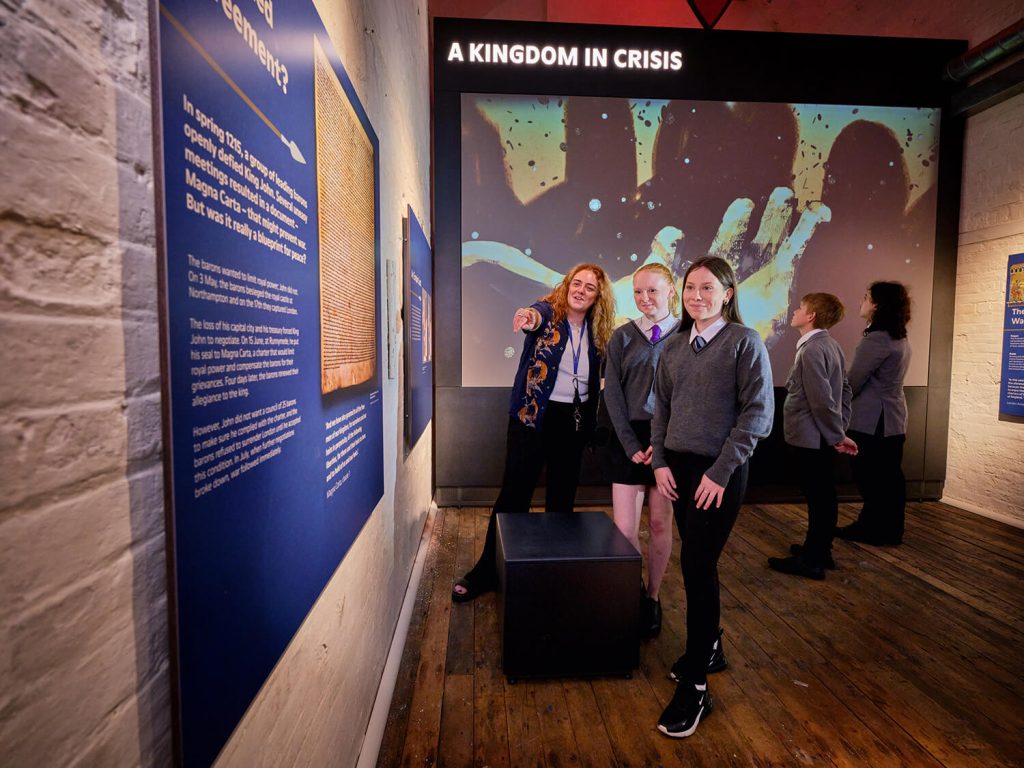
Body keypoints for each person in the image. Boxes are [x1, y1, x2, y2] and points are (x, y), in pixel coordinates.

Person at [651, 256, 774, 739]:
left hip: (720, 473)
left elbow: (757, 416)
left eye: (707, 288)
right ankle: (712, 647)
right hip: (678, 471)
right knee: (698, 562)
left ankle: (697, 686)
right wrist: (660, 462)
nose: (696, 296)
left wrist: (720, 473)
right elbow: (660, 409)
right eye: (689, 288)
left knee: (697, 567)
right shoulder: (676, 346)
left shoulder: (746, 343)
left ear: (727, 293)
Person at [452, 263, 616, 602]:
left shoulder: (598, 331)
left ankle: (553, 571)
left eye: (590, 287)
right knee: (513, 496)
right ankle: (487, 571)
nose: (581, 290)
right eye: (577, 282)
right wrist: (529, 316)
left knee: (562, 499)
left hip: (572, 421)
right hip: (533, 418)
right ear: (567, 284)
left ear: (598, 296)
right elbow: (536, 315)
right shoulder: (548, 312)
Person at [602, 262, 680, 638]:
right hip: (627, 441)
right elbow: (613, 395)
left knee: (661, 523)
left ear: (671, 291)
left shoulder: (686, 335)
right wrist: (632, 445)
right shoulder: (621, 337)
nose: (644, 299)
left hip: (668, 441)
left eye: (652, 291)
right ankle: (630, 591)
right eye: (637, 292)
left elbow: (688, 397)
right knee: (625, 528)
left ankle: (652, 598)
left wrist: (659, 445)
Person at [768, 293, 857, 581]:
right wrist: (840, 430)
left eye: (801, 308)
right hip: (820, 438)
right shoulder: (830, 345)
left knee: (819, 497)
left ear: (811, 316)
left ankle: (813, 560)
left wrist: (836, 435)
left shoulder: (812, 350)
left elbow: (822, 400)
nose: (794, 311)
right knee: (822, 495)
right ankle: (819, 549)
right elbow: (842, 392)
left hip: (813, 440)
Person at [835, 281, 912, 546]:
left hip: (873, 421)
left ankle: (879, 530)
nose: (862, 301)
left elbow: (853, 381)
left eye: (866, 297)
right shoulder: (898, 336)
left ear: (877, 304)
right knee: (888, 477)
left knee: (873, 478)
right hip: (892, 419)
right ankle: (879, 528)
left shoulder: (877, 339)